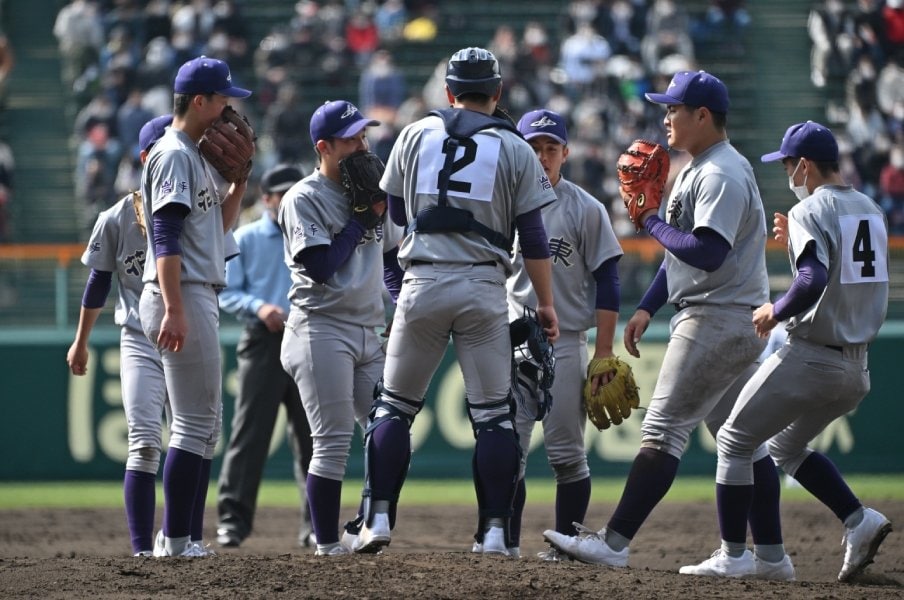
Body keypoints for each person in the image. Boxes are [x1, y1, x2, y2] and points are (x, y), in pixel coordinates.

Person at [543, 70, 778, 572]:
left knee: (663, 430)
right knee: (742, 437)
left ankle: (614, 542)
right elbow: (681, 262)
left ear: (703, 115)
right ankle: (770, 556)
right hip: (721, 314)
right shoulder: (701, 168)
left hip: (717, 317)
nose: (666, 116)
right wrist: (648, 305)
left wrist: (649, 222)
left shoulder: (720, 174)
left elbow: (708, 253)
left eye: (675, 108)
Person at [350, 47, 559, 557]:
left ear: (447, 92)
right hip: (484, 286)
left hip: (422, 280)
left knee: (393, 408)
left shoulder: (415, 133)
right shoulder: (514, 146)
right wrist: (547, 304)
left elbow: (396, 214)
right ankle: (492, 533)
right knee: (493, 416)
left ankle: (376, 519)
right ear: (498, 92)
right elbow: (532, 237)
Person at [680, 121, 892, 583]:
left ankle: (734, 554)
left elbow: (812, 280)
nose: (787, 175)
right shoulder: (871, 208)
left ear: (805, 165)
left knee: (735, 438)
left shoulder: (809, 210)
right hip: (857, 367)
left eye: (789, 166)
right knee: (785, 447)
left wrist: (774, 310)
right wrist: (798, 241)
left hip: (812, 355)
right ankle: (859, 520)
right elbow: (838, 267)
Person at [278, 99, 405, 557]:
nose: (361, 145)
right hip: (319, 328)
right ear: (324, 147)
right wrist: (359, 221)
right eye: (350, 139)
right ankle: (327, 545)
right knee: (332, 442)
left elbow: (391, 260)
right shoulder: (303, 198)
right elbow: (320, 267)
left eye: (363, 136)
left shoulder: (371, 192)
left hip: (369, 329)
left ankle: (367, 522)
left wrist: (404, 309)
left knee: (386, 429)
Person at [138, 56, 252, 558]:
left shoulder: (195, 157)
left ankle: (184, 537)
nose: (231, 108)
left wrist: (240, 183)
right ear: (199, 101)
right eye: (224, 98)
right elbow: (165, 235)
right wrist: (175, 306)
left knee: (204, 427)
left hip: (191, 290)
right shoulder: (174, 153)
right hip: (181, 291)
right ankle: (176, 540)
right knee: (192, 424)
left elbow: (218, 229)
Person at [501, 108, 623, 560]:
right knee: (506, 452)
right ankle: (505, 543)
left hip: (566, 341)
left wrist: (605, 352)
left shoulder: (586, 208)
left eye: (550, 148)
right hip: (512, 338)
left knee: (568, 455)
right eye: (533, 148)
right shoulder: (504, 206)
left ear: (566, 153)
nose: (542, 156)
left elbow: (608, 279)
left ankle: (565, 548)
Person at [66, 114, 173, 557]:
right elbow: (98, 283)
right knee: (146, 442)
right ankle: (141, 551)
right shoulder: (115, 217)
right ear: (147, 158)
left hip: (192, 334)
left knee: (200, 439)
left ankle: (184, 538)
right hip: (139, 338)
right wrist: (81, 340)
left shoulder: (198, 209)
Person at [215, 164, 315, 549]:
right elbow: (225, 290)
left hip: (308, 338)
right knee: (250, 433)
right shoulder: (248, 237)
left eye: (296, 191)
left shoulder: (314, 233)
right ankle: (232, 521)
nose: (290, 199)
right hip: (264, 340)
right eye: (282, 193)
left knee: (314, 437)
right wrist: (259, 308)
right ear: (267, 197)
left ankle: (316, 523)